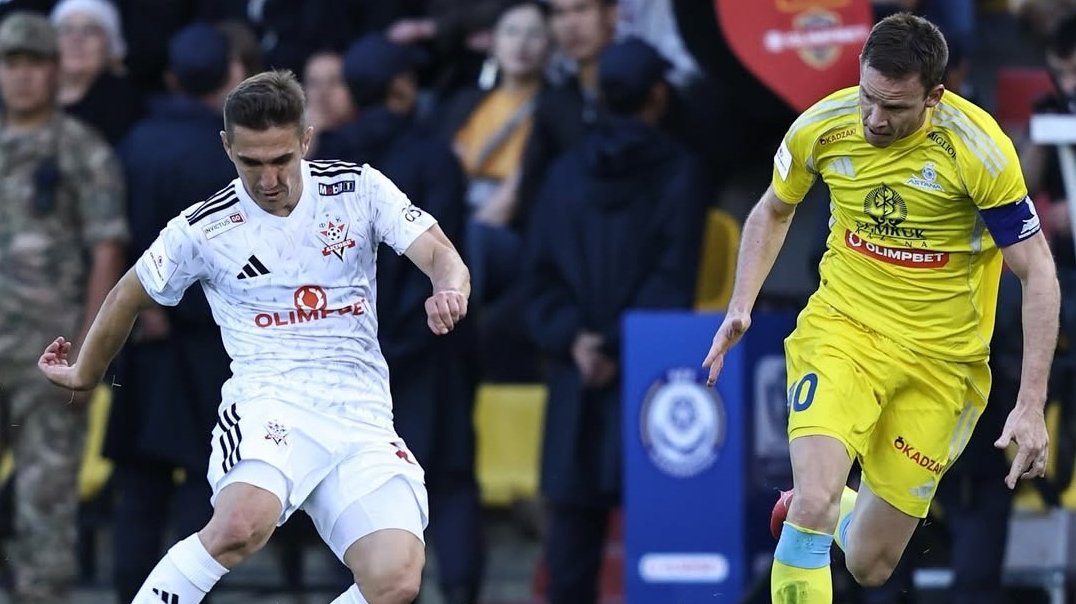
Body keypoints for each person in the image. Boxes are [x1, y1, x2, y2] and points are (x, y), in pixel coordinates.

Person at [37, 69, 471, 604]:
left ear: (306, 140)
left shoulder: (359, 189)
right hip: (271, 403)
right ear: (227, 147)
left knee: (397, 579)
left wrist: (448, 289)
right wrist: (85, 372)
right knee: (239, 525)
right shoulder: (204, 228)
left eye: (281, 159)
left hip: (360, 414)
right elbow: (128, 295)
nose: (269, 179)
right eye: (251, 163)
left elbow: (441, 253)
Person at [700, 13, 1059, 603]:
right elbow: (773, 209)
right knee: (812, 504)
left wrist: (1030, 402)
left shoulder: (979, 151)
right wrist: (741, 303)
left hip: (940, 364)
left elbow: (1037, 270)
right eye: (868, 96)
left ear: (934, 96)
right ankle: (814, 504)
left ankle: (830, 506)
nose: (873, 118)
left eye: (894, 107)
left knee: (870, 563)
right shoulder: (823, 126)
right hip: (843, 332)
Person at [527, 37, 709, 604]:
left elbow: (539, 277)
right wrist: (616, 346)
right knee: (664, 558)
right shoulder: (682, 173)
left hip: (575, 377)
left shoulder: (563, 172)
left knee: (570, 555)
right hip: (652, 385)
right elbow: (672, 280)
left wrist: (576, 341)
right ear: (657, 96)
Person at [318, 32, 485, 604]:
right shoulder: (435, 158)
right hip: (432, 349)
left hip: (350, 357)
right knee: (452, 480)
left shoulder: (323, 163)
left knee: (352, 489)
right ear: (402, 87)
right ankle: (460, 593)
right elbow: (448, 255)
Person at [103, 23, 243, 603]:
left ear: (170, 77)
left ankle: (128, 594)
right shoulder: (226, 154)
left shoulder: (135, 142)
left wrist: (144, 307)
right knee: (205, 482)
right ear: (231, 76)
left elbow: (115, 237)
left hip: (141, 332)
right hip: (211, 342)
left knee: (140, 483)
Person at [0, 11, 128, 603]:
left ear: (56, 71)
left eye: (36, 64)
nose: (23, 76)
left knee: (44, 511)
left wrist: (86, 353)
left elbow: (107, 250)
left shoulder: (83, 150)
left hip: (46, 358)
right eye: (11, 63)